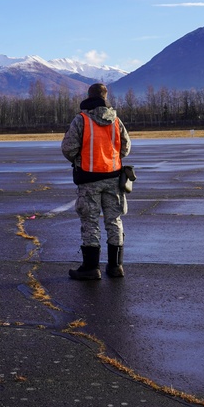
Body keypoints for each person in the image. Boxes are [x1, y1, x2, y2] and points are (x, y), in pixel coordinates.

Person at [61, 82, 131, 280]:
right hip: (113, 177)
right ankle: (116, 266)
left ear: (88, 96)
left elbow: (68, 148)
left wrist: (80, 159)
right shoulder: (116, 121)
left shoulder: (81, 120)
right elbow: (125, 148)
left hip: (88, 178)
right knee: (114, 220)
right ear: (105, 96)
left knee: (90, 221)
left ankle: (91, 268)